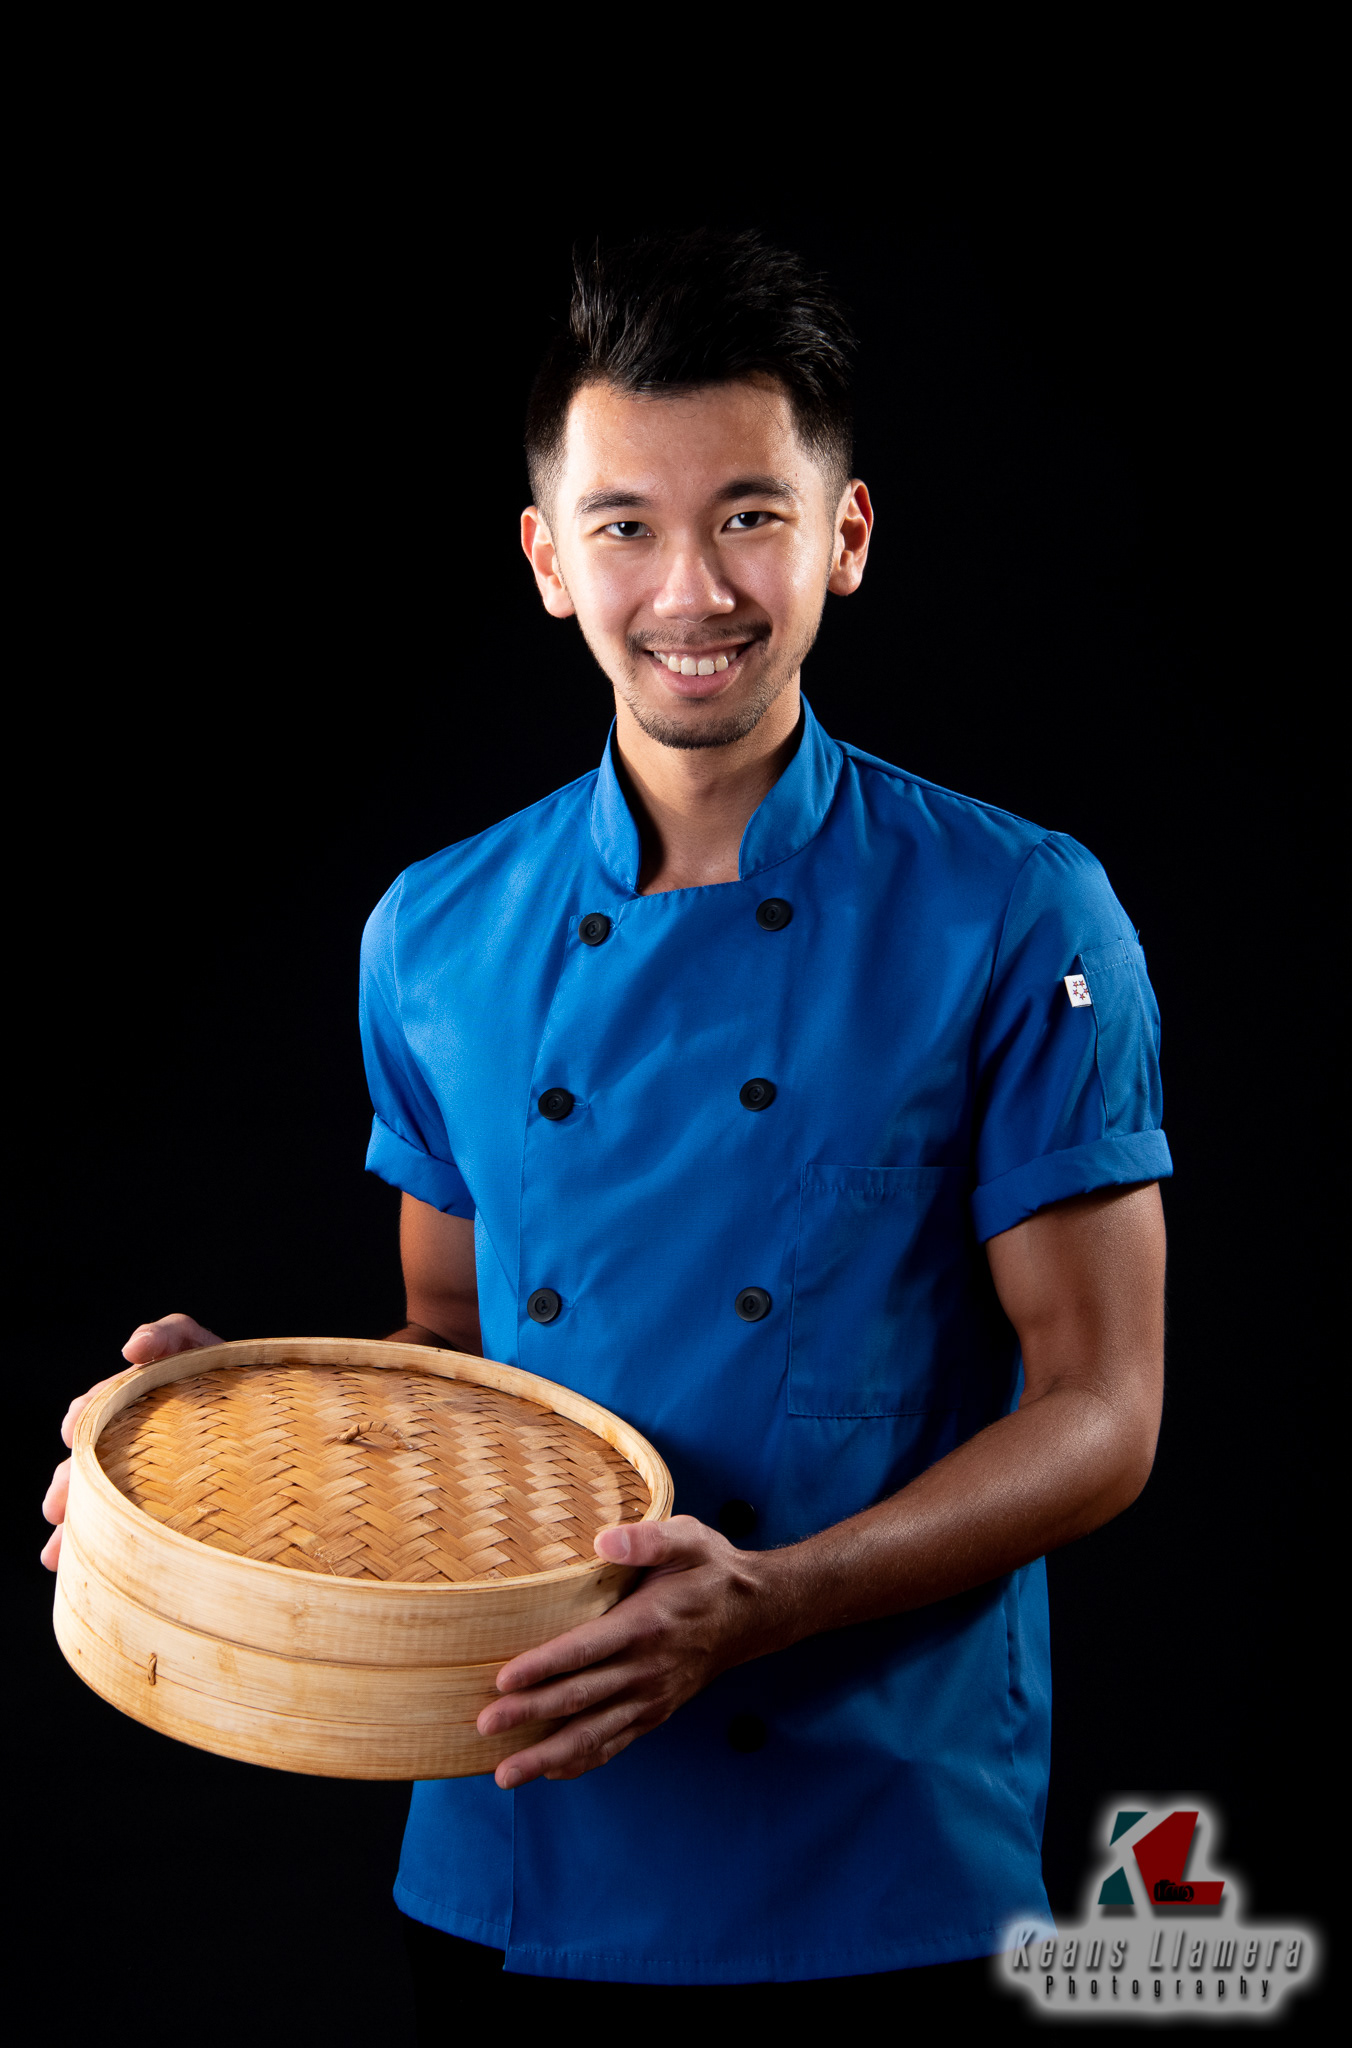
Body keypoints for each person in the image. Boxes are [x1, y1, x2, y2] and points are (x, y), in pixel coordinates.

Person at [42, 230, 1169, 2016]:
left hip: (874, 1843)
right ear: (549, 561)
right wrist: (231, 1433)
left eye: (749, 516)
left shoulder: (1020, 913)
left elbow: (1103, 1411)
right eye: (626, 526)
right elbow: (450, 1351)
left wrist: (772, 1601)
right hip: (512, 1809)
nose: (691, 590)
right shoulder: (432, 932)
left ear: (845, 536)